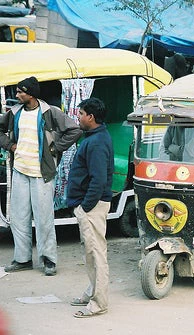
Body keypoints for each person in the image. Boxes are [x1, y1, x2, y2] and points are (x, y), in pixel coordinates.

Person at [0, 76, 82, 276]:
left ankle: (49, 260)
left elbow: (75, 130)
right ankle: (22, 259)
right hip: (20, 171)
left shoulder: (50, 113)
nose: (17, 95)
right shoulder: (14, 113)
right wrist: (10, 145)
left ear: (31, 93)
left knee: (44, 219)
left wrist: (55, 148)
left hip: (42, 174)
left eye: (20, 92)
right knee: (19, 218)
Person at [67, 97, 114, 318]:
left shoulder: (96, 142)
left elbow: (98, 180)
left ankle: (99, 304)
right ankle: (92, 292)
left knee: (96, 253)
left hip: (92, 206)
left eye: (81, 113)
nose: (78, 116)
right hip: (89, 205)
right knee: (91, 253)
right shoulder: (95, 137)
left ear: (91, 117)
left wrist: (84, 207)